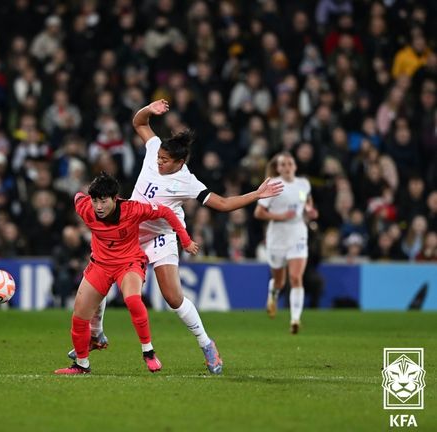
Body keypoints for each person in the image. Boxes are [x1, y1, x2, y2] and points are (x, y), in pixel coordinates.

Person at [70, 99, 284, 374]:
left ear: (180, 162)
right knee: (102, 271)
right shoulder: (153, 150)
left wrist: (256, 194)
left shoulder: (187, 182)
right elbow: (139, 123)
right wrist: (149, 109)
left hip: (161, 237)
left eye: (165, 161)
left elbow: (224, 204)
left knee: (172, 297)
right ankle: (97, 334)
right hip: (129, 232)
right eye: (158, 157)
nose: (158, 162)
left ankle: (206, 344)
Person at [54, 172, 199, 374]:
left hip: (129, 263)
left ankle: (148, 352)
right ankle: (81, 365)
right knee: (79, 317)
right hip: (100, 266)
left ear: (115, 198)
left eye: (103, 201)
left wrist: (185, 240)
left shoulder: (133, 209)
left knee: (132, 299)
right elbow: (77, 196)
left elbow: (166, 212)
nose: (98, 207)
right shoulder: (85, 208)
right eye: (95, 201)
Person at [254, 152, 318, 334]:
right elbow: (259, 213)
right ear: (278, 168)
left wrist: (311, 211)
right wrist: (280, 216)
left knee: (296, 277)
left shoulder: (303, 184)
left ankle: (295, 319)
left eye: (290, 163)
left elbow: (307, 203)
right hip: (277, 237)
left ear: (295, 166)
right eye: (283, 164)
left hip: (298, 233)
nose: (287, 166)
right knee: (280, 281)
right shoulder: (273, 185)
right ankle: (273, 293)